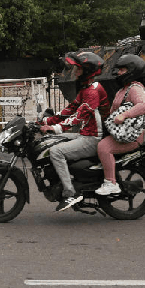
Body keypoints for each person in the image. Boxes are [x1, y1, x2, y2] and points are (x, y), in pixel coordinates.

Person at [40, 51, 108, 211]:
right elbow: (70, 109)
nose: (75, 72)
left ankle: (70, 192)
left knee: (56, 152)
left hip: (93, 138)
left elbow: (78, 116)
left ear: (87, 71)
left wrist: (55, 128)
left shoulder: (92, 92)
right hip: (86, 133)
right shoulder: (87, 89)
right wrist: (44, 121)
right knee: (51, 141)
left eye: (78, 69)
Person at [95, 54, 145, 196]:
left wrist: (124, 115)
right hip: (118, 133)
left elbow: (143, 105)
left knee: (103, 148)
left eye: (122, 70)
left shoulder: (135, 88)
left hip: (130, 137)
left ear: (132, 70)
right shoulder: (122, 90)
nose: (118, 73)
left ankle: (111, 183)